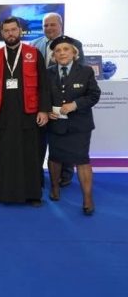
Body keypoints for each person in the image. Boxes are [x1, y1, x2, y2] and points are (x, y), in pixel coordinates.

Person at [0, 17, 51, 207]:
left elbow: (44, 85)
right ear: (2, 33)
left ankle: (33, 195)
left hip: (29, 113)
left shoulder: (33, 53)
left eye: (13, 30)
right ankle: (4, 193)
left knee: (30, 154)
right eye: (6, 31)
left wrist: (44, 110)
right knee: (4, 154)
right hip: (3, 114)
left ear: (20, 31)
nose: (10, 34)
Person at [46, 36, 101, 215]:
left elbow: (94, 95)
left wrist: (75, 105)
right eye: (58, 50)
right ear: (54, 55)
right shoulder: (48, 73)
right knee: (55, 157)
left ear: (74, 53)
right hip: (56, 124)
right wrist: (46, 110)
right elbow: (42, 95)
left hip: (79, 125)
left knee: (82, 160)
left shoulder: (86, 71)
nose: (62, 53)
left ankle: (87, 198)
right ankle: (55, 188)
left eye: (66, 49)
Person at [31, 12, 85, 187]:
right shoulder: (34, 45)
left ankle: (65, 175)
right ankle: (37, 175)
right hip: (41, 102)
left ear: (61, 25)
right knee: (39, 142)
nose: (49, 28)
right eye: (45, 25)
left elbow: (78, 73)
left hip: (64, 102)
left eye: (52, 24)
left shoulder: (74, 44)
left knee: (64, 141)